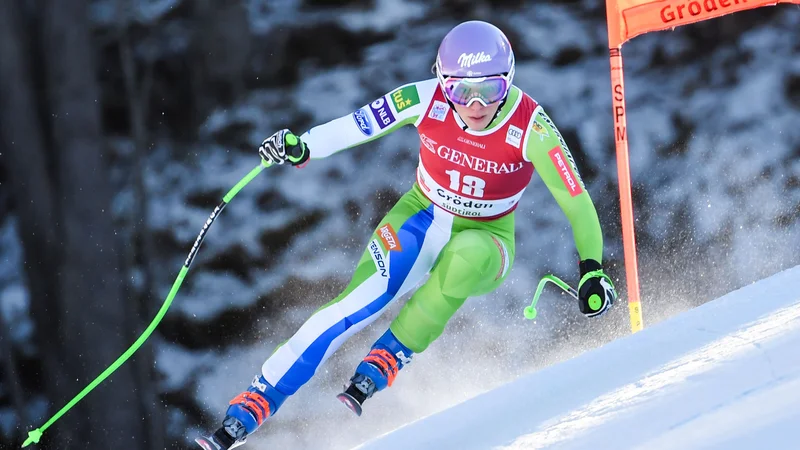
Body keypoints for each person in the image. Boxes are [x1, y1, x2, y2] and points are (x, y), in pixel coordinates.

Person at [195, 20, 618, 450]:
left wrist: (590, 269)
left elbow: (576, 201)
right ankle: (253, 404)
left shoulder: (532, 127)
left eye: (489, 91)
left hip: (489, 236)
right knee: (354, 304)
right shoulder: (423, 98)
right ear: (442, 82)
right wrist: (303, 146)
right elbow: (358, 125)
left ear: (508, 83)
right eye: (459, 91)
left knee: (465, 257)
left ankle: (394, 349)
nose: (474, 105)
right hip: (419, 216)